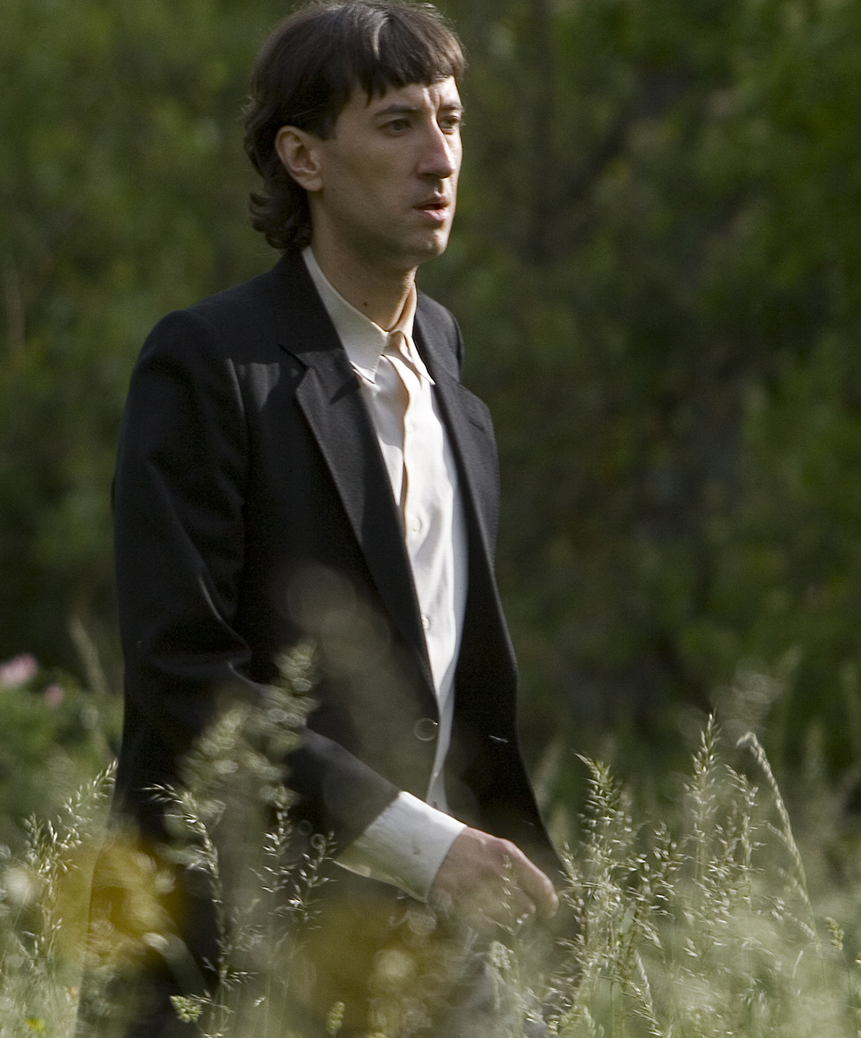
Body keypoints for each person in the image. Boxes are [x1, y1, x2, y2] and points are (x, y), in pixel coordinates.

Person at [94, 3, 561, 1035]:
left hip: (439, 955)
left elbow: (453, 680)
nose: (439, 157)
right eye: (397, 124)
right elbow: (183, 675)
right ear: (302, 157)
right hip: (238, 950)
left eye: (450, 120)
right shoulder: (209, 364)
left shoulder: (448, 368)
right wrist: (424, 846)